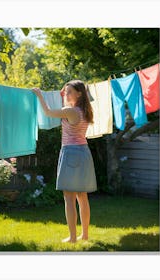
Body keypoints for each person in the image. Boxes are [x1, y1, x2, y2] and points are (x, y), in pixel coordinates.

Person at [32, 80, 97, 243]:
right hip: (84, 152)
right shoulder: (85, 110)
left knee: (69, 197)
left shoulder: (70, 111)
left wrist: (39, 95)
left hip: (70, 153)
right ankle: (85, 235)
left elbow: (47, 112)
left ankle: (73, 237)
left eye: (69, 92)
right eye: (66, 92)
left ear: (79, 93)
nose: (66, 94)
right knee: (82, 196)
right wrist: (65, 93)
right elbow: (66, 107)